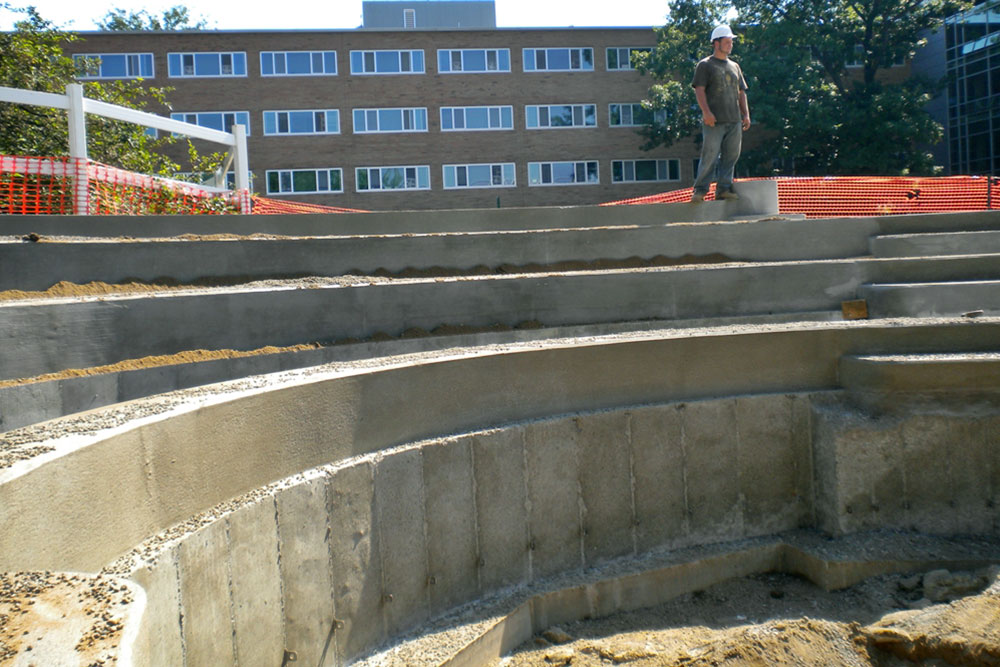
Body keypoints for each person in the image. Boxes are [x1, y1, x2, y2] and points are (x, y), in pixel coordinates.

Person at [690, 25, 751, 202]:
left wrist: (745, 115)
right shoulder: (705, 65)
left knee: (731, 155)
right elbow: (699, 90)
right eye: (727, 42)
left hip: (734, 120)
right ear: (716, 43)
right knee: (710, 155)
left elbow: (741, 92)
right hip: (714, 120)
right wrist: (706, 113)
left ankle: (723, 189)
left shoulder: (735, 66)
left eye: (731, 42)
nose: (730, 45)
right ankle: (700, 190)